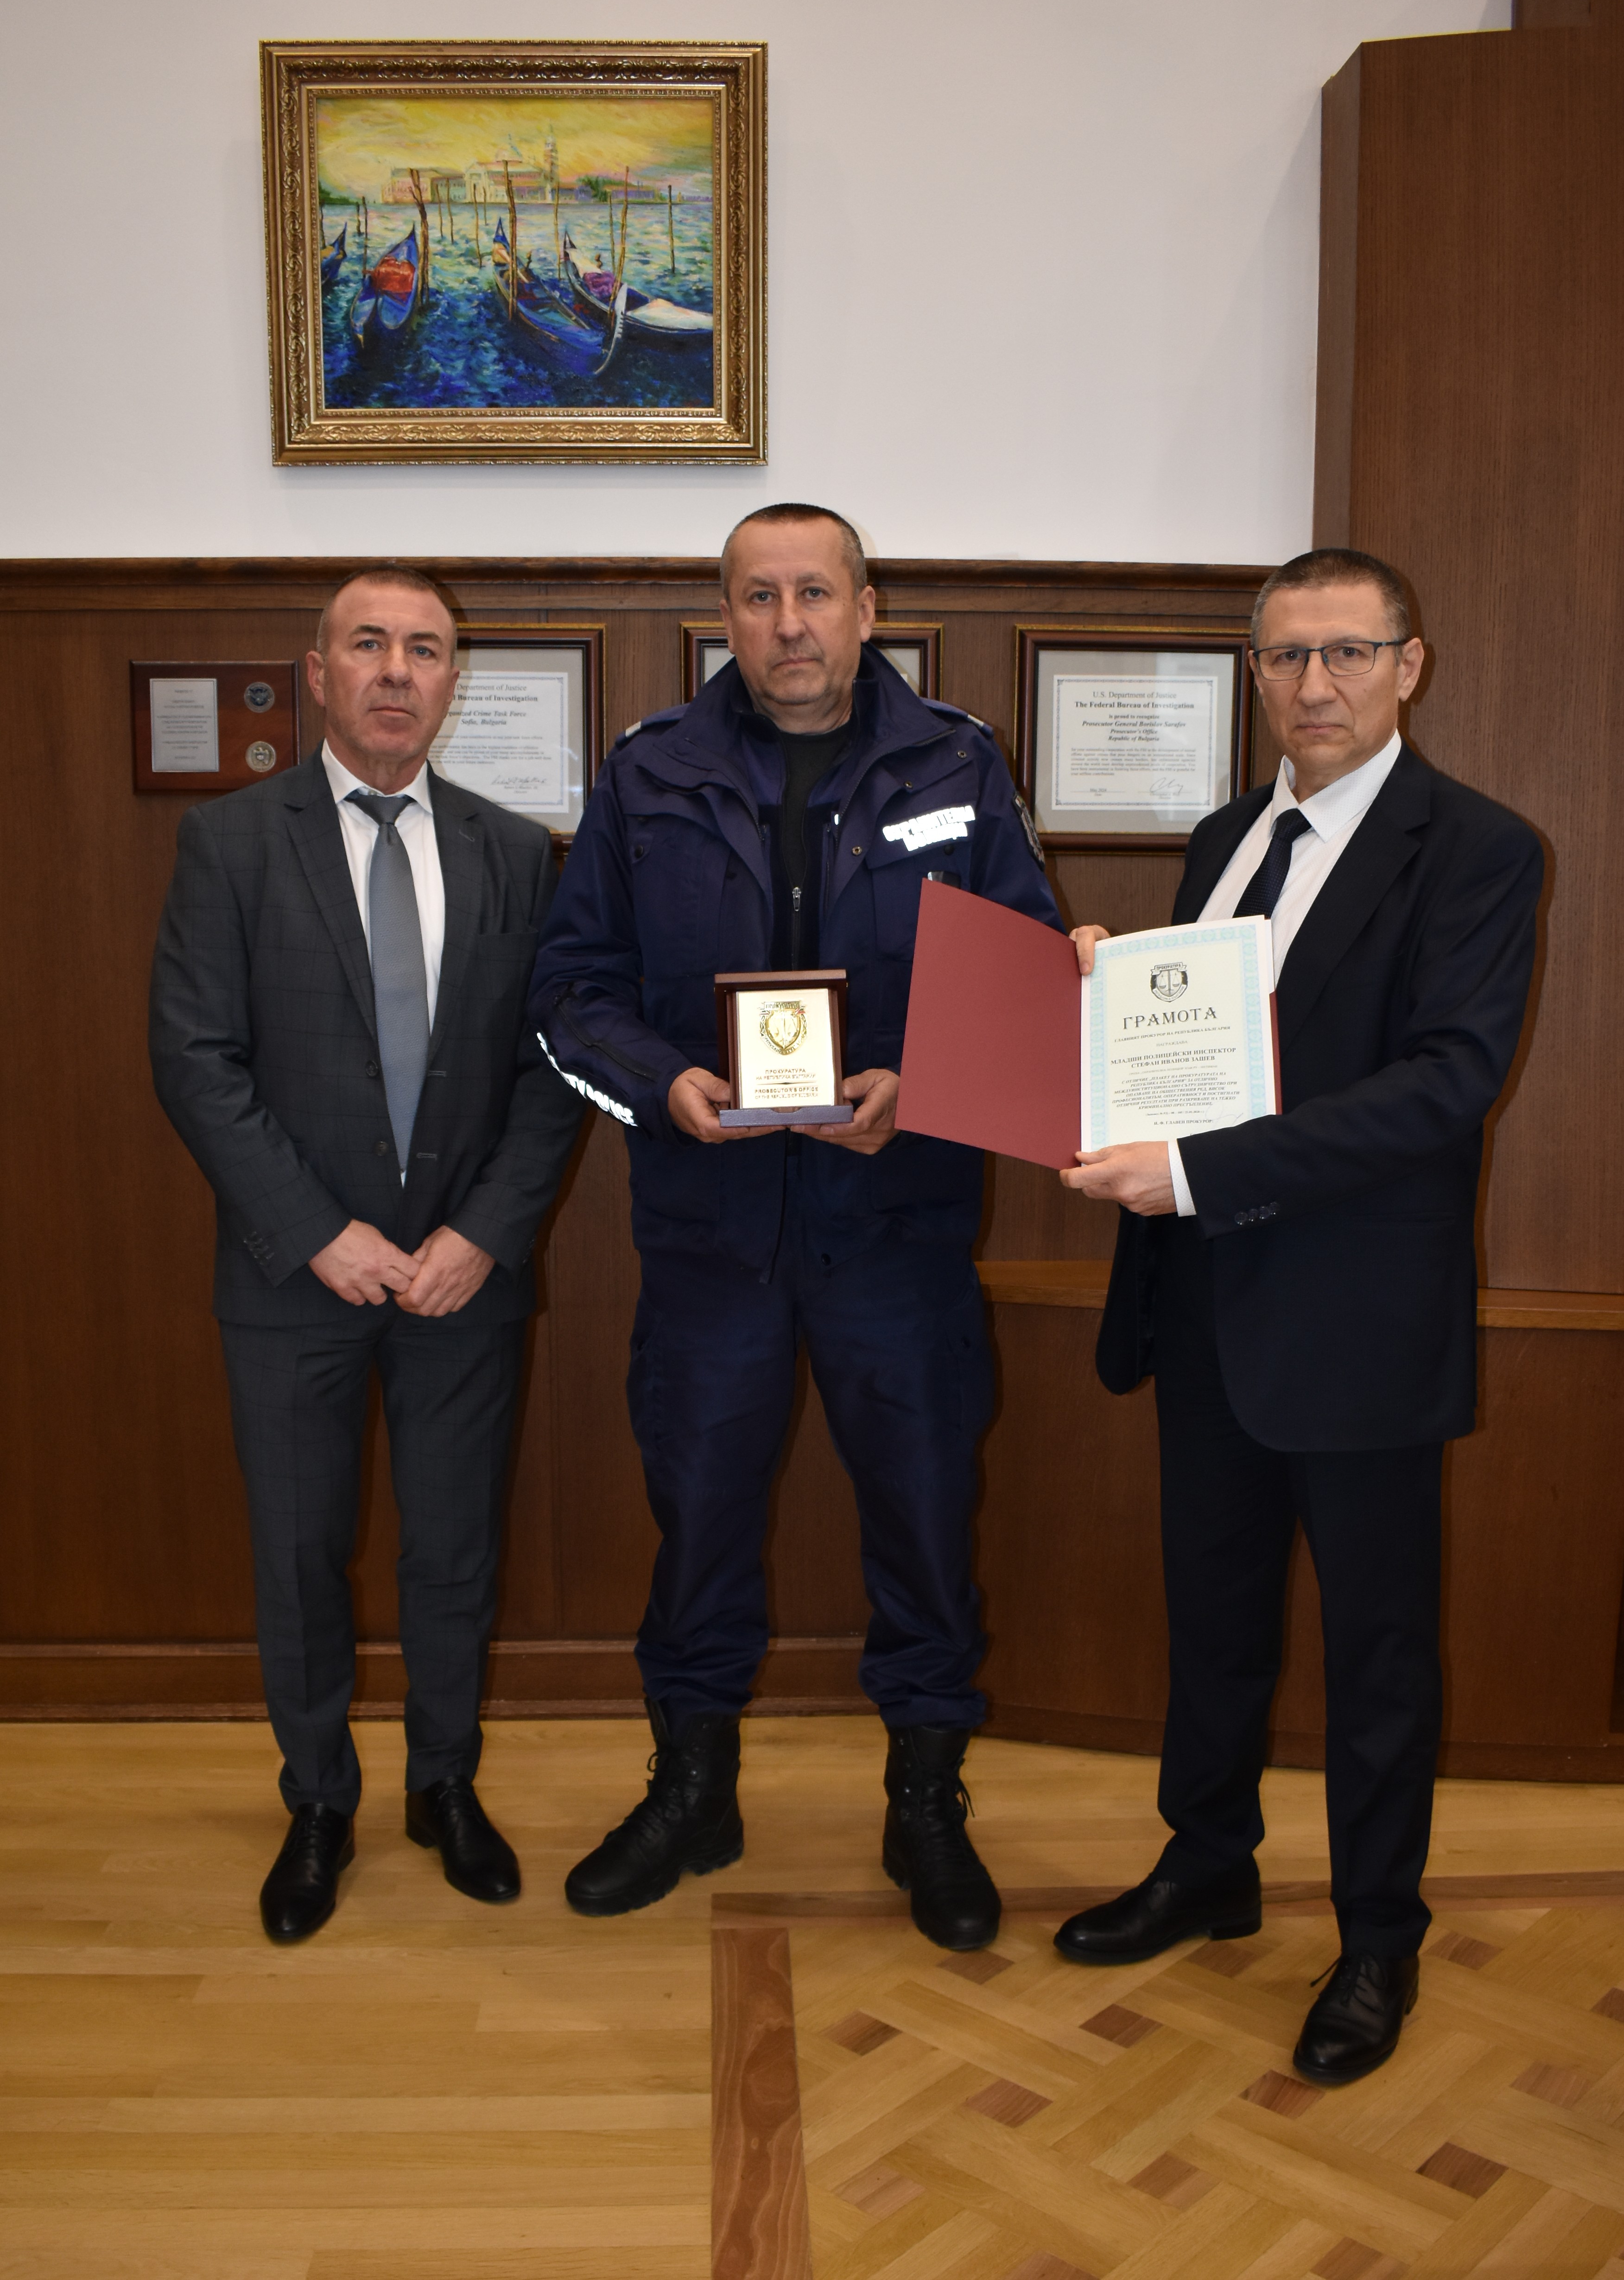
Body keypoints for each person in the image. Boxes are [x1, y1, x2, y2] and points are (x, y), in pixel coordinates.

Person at [529, 502, 1062, 1950]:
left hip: (898, 1228)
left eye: (815, 593)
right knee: (697, 1518)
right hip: (712, 1236)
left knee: (926, 1520)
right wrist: (663, 1085)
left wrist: (919, 1086)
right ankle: (693, 1790)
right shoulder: (650, 772)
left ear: (867, 607)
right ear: (727, 616)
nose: (789, 624)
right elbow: (570, 989)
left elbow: (1027, 981)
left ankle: (927, 1803)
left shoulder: (956, 761)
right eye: (758, 597)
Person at [1054, 548, 1542, 2083]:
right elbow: (1208, 1056)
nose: (1314, 685)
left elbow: (1445, 1085)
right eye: (1285, 657)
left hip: (1361, 1328)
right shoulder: (1223, 841)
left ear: (1411, 665)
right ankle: (1208, 1864)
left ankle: (1378, 1939)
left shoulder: (1479, 850)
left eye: (1347, 653)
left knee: (1378, 1654)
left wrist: (1198, 1169)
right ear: (1254, 672)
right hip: (1205, 1305)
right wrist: (1106, 997)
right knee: (1214, 1620)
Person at [149, 565, 584, 1943]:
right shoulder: (230, 842)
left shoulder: (516, 854)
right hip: (294, 1279)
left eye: (427, 649)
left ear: (454, 681)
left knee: (454, 1551)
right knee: (299, 1555)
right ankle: (318, 1801)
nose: (398, 670)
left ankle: (443, 1785)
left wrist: (485, 1234)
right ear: (319, 671)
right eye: (370, 644)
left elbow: (551, 1071)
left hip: (463, 1279)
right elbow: (195, 1059)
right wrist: (317, 1233)